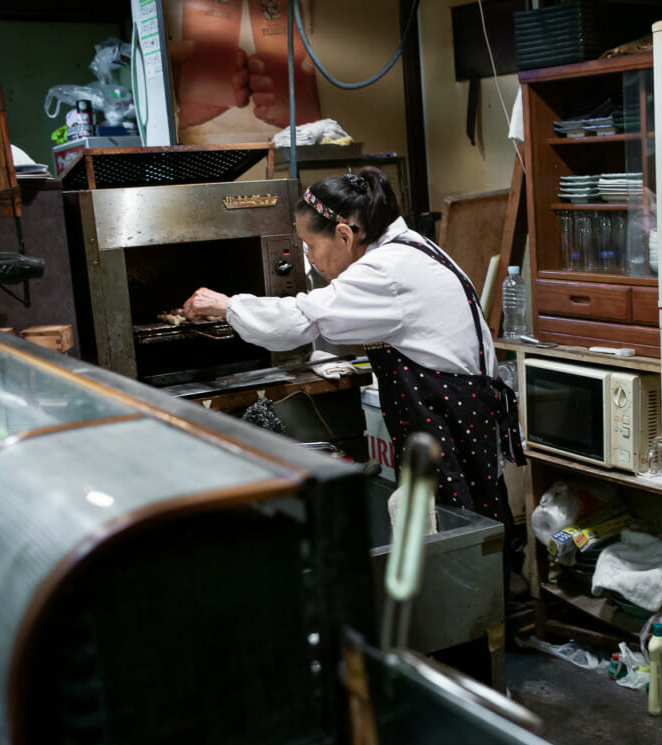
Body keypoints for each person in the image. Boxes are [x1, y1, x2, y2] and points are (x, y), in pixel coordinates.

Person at [182, 167, 524, 521]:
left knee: (459, 540)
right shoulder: (412, 247)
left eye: (311, 246)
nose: (310, 258)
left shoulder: (384, 271)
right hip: (462, 419)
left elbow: (303, 319)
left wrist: (227, 306)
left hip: (447, 428)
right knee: (474, 532)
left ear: (344, 235)